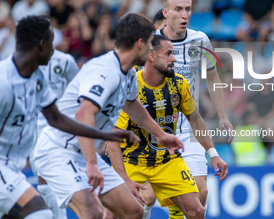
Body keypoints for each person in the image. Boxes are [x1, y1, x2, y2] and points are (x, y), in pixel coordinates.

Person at [32, 13, 184, 219]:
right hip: (58, 151)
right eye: (149, 42)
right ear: (140, 43)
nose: (151, 48)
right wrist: (92, 163)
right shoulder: (105, 72)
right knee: (92, 212)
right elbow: (84, 113)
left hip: (80, 151)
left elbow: (131, 104)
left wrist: (160, 135)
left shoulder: (127, 72)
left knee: (133, 211)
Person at [0, 15, 138, 219]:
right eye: (53, 40)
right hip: (4, 166)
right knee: (42, 215)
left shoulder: (37, 77)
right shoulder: (3, 81)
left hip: (13, 167)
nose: (56, 46)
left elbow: (58, 120)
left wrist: (106, 135)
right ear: (41, 45)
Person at [106, 35, 228, 219]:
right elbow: (113, 137)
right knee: (112, 214)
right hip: (132, 161)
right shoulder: (130, 87)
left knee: (197, 211)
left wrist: (213, 153)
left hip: (166, 160)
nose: (174, 59)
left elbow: (195, 119)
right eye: (169, 54)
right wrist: (124, 179)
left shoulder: (179, 83)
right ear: (151, 56)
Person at [155, 0, 233, 218]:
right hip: (154, 132)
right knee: (146, 198)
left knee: (200, 193)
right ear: (165, 13)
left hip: (189, 130)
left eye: (187, 9)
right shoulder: (150, 41)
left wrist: (223, 116)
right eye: (178, 9)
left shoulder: (201, 40)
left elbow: (212, 76)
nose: (184, 14)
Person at [31, 46, 79, 219]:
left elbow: (79, 88)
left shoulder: (65, 60)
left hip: (58, 125)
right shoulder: (26, 60)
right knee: (42, 181)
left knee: (47, 177)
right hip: (32, 125)